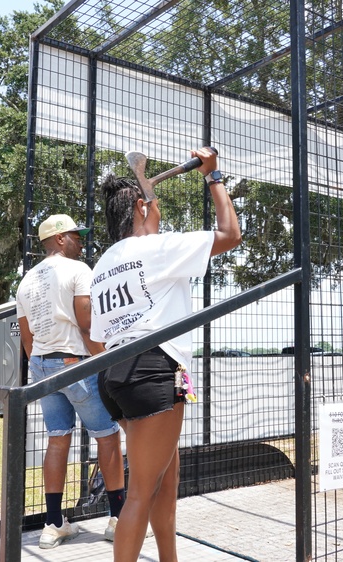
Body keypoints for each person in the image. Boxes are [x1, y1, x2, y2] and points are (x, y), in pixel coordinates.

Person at [92, 147, 241, 561]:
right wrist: (213, 176)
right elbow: (230, 234)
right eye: (155, 205)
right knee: (140, 491)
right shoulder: (156, 248)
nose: (159, 214)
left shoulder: (105, 263)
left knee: (163, 478)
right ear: (141, 207)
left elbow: (99, 335)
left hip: (114, 377)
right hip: (154, 370)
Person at [16, 214, 127, 549]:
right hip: (76, 362)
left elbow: (26, 338)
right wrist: (107, 360)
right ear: (61, 238)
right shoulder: (79, 270)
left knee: (57, 439)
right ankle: (118, 519)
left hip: (42, 366)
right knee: (107, 437)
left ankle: (53, 524)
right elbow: (86, 323)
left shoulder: (25, 282)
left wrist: (40, 367)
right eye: (77, 236)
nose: (82, 241)